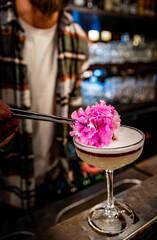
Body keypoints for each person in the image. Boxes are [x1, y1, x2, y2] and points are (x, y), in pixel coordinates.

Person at [0, 0, 89, 211]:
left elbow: (73, 116)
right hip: (7, 190)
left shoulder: (77, 37)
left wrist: (83, 152)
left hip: (57, 184)